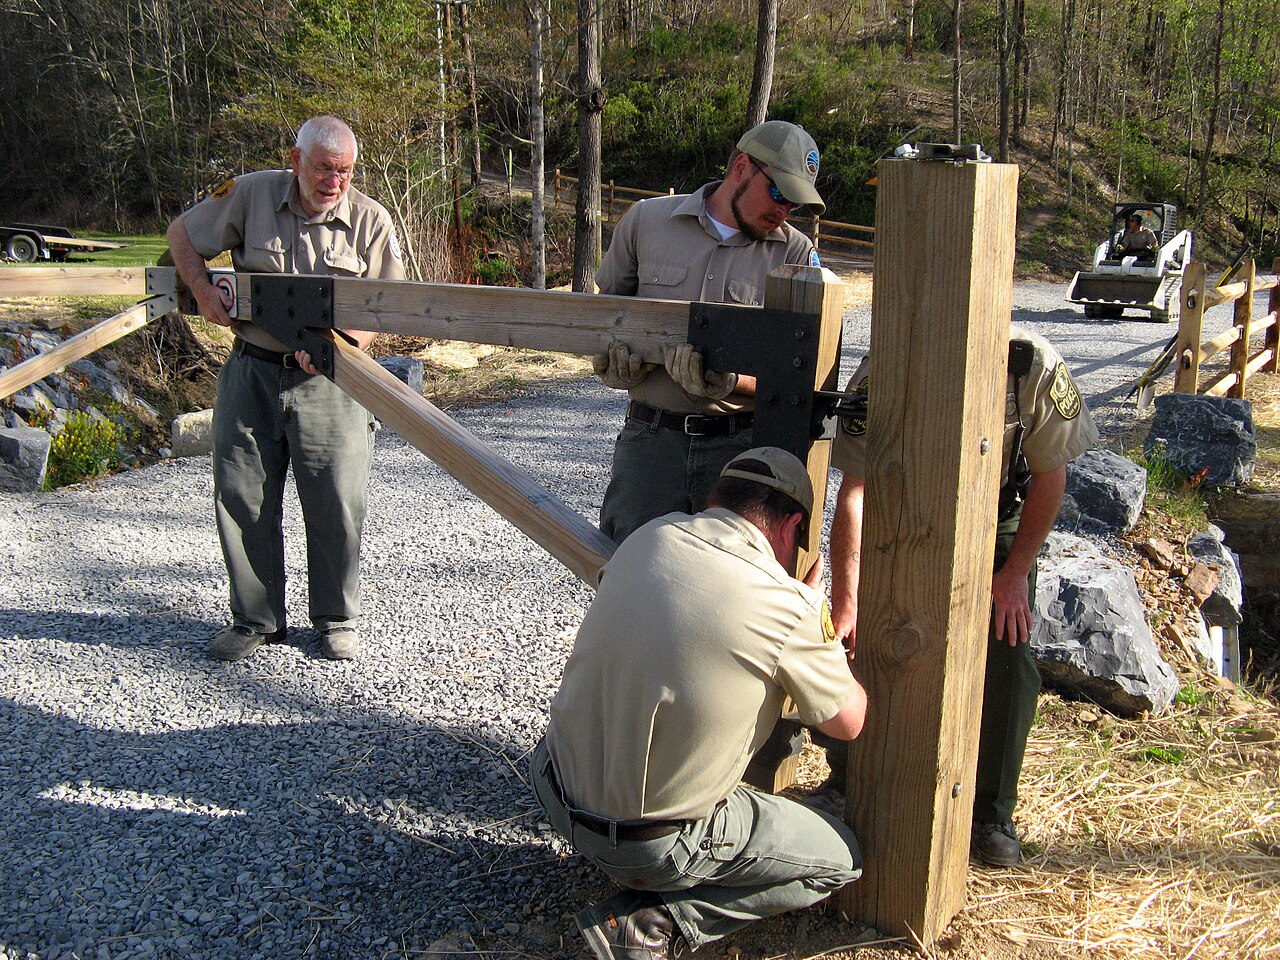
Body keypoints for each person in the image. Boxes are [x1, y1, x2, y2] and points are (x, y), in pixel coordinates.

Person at [532, 448, 868, 960]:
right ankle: (655, 924)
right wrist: (815, 634)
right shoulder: (790, 607)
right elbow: (849, 722)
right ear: (791, 527)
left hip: (554, 794)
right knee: (840, 857)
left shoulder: (650, 537)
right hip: (649, 846)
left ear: (720, 501)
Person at [826, 327, 1097, 866]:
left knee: (1008, 651)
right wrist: (849, 593)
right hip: (904, 508)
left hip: (995, 513)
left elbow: (1050, 478)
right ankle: (847, 782)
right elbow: (855, 490)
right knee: (858, 639)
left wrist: (1015, 572)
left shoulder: (1029, 366)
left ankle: (990, 814)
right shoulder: (887, 364)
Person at [166, 115, 405, 662]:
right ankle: (255, 619)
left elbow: (389, 304)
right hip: (251, 371)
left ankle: (336, 620)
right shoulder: (249, 195)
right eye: (323, 169)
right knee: (243, 496)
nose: (334, 182)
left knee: (336, 502)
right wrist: (202, 291)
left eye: (344, 171)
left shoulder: (371, 220)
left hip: (332, 382)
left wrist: (340, 346)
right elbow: (182, 234)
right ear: (295, 160)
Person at [593, 120, 826, 544]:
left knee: (729, 597)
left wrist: (734, 381)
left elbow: (805, 376)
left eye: (795, 204)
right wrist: (613, 364)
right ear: (741, 167)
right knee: (626, 576)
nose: (785, 211)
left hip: (739, 455)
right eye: (780, 193)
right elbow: (608, 319)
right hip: (651, 445)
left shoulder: (796, 255)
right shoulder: (645, 221)